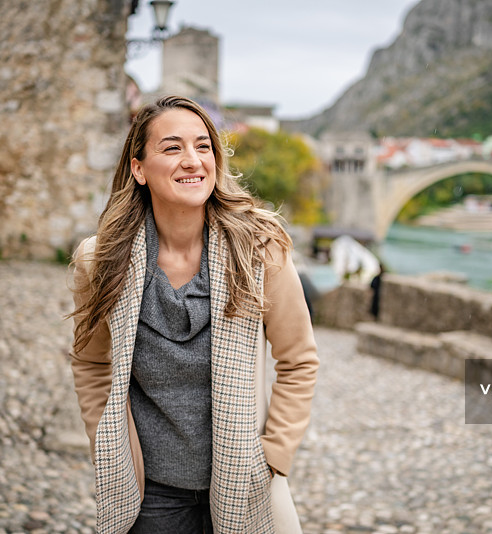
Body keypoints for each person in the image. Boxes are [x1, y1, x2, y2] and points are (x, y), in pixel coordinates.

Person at [68, 95, 319, 534]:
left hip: (244, 485)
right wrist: (106, 443)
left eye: (203, 147)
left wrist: (273, 455)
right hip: (151, 496)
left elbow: (298, 360)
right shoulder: (102, 260)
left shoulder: (258, 251)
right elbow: (91, 363)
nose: (192, 161)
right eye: (172, 148)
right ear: (138, 168)